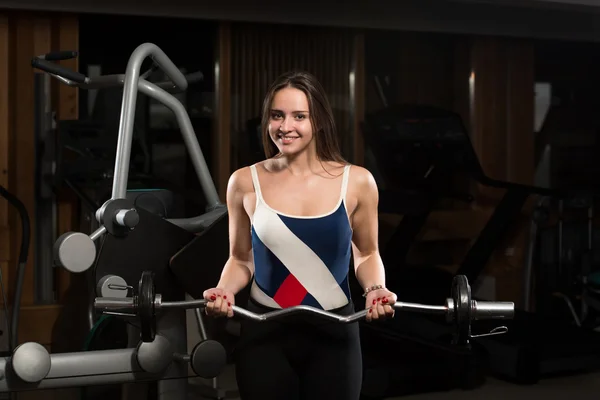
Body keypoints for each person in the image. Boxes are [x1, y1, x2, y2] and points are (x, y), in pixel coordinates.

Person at [202, 70, 397, 400]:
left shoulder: (357, 182)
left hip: (334, 331)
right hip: (264, 331)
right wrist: (224, 290)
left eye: (299, 116)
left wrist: (376, 289)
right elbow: (240, 258)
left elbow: (366, 253)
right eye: (277, 116)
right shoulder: (245, 182)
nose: (285, 127)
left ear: (318, 120)